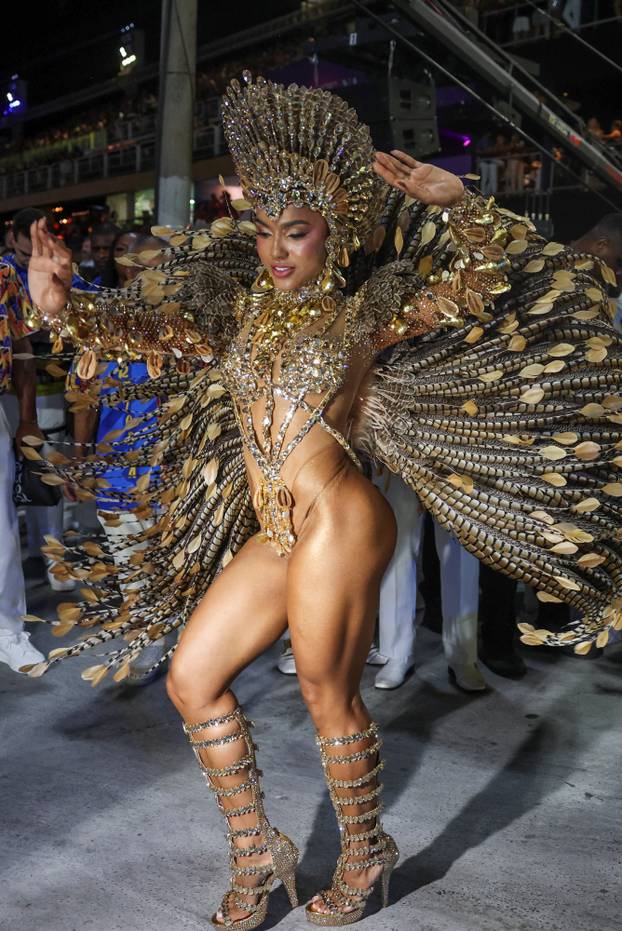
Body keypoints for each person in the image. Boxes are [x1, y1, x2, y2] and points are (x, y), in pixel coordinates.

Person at [26, 74, 622, 929]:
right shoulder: (231, 307)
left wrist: (464, 206)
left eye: (295, 234)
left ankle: (364, 848)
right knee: (193, 679)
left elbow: (483, 275)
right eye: (266, 231)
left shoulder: (365, 311)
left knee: (323, 690)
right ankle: (256, 848)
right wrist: (62, 306)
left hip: (341, 516)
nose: (277, 249)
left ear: (330, 236)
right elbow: (134, 329)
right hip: (278, 527)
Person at [480, 212, 622, 677]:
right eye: (616, 263)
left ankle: (551, 619)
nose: (615, 276)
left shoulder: (593, 287)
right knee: (502, 541)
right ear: (601, 246)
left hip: (568, 436)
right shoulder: (535, 264)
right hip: (511, 432)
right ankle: (497, 642)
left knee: (561, 531)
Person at [372, 470, 485, 691]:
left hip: (455, 445)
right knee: (398, 543)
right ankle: (397, 653)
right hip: (399, 445)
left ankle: (463, 655)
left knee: (460, 548)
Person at [0, 266, 45, 672]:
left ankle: (7, 632)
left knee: (0, 530)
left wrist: (28, 419)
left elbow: (24, 348)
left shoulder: (2, 273)